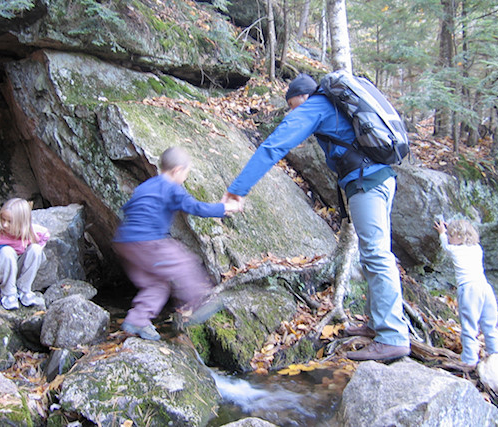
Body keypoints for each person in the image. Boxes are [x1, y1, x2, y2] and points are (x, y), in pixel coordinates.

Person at [221, 73, 411, 361]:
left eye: (294, 105)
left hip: (366, 183)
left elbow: (275, 145)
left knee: (375, 254)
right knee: (374, 252)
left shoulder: (316, 105)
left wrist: (238, 189)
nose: (293, 112)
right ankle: (376, 324)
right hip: (379, 179)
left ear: (304, 97)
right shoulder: (335, 107)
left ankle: (392, 336)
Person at [113, 146, 240, 341]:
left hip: (124, 242)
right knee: (183, 261)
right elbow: (197, 208)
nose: (185, 178)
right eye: (186, 173)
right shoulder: (172, 187)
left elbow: (129, 207)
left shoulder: (147, 185)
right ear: (177, 171)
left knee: (157, 284)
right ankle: (200, 301)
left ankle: (137, 319)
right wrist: (225, 207)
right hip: (147, 240)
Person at [434, 218, 498, 369]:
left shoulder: (455, 249)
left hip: (469, 289)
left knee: (469, 325)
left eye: (451, 235)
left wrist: (442, 233)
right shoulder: (477, 248)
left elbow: (446, 246)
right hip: (485, 288)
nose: (449, 237)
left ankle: (469, 359)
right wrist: (450, 230)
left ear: (459, 236)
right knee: (490, 324)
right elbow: (456, 240)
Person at [0, 198, 49, 310]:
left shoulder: (32, 232)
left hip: (17, 267)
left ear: (22, 223)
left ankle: (24, 289)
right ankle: (8, 293)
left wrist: (33, 254)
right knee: (7, 251)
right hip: (0, 268)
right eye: (3, 220)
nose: (5, 225)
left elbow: (45, 236)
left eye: (10, 221)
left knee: (35, 249)